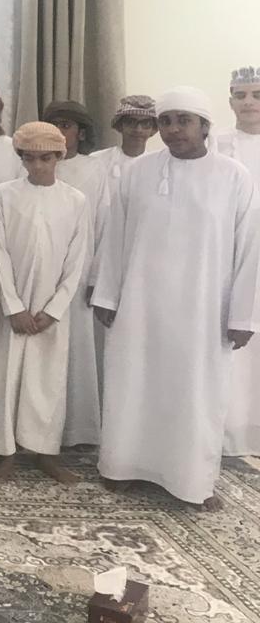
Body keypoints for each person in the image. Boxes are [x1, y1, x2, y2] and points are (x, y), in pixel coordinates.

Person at [94, 86, 260, 509]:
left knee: (196, 393)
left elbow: (249, 249)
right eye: (166, 121)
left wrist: (243, 316)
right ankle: (124, 466)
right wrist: (108, 294)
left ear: (204, 126)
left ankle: (191, 481)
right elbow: (115, 235)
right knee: (134, 382)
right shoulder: (139, 172)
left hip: (203, 309)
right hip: (141, 305)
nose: (173, 129)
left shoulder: (233, 176)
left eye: (183, 120)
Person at [0, 122, 90, 484]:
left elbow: (76, 259)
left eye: (46, 158)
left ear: (59, 156)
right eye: (29, 159)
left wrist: (54, 309)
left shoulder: (75, 200)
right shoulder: (4, 194)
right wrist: (13, 306)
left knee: (48, 381)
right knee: (6, 377)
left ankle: (46, 453)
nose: (37, 166)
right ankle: (4, 453)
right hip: (13, 307)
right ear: (21, 159)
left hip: (50, 309)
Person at [41, 100, 107, 448]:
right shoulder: (35, 165)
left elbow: (104, 224)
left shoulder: (95, 169)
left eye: (66, 126)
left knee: (76, 350)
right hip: (39, 273)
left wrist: (96, 276)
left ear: (81, 133)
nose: (59, 132)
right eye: (53, 125)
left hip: (79, 274)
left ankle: (77, 430)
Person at [219, 66, 260, 457]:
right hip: (227, 255)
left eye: (257, 95)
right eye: (241, 95)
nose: (249, 103)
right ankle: (228, 430)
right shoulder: (215, 146)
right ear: (230, 100)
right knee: (231, 341)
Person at [91, 95, 158, 186]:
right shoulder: (98, 160)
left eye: (146, 123)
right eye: (131, 122)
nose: (138, 129)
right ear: (120, 126)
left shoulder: (156, 165)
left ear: (153, 129)